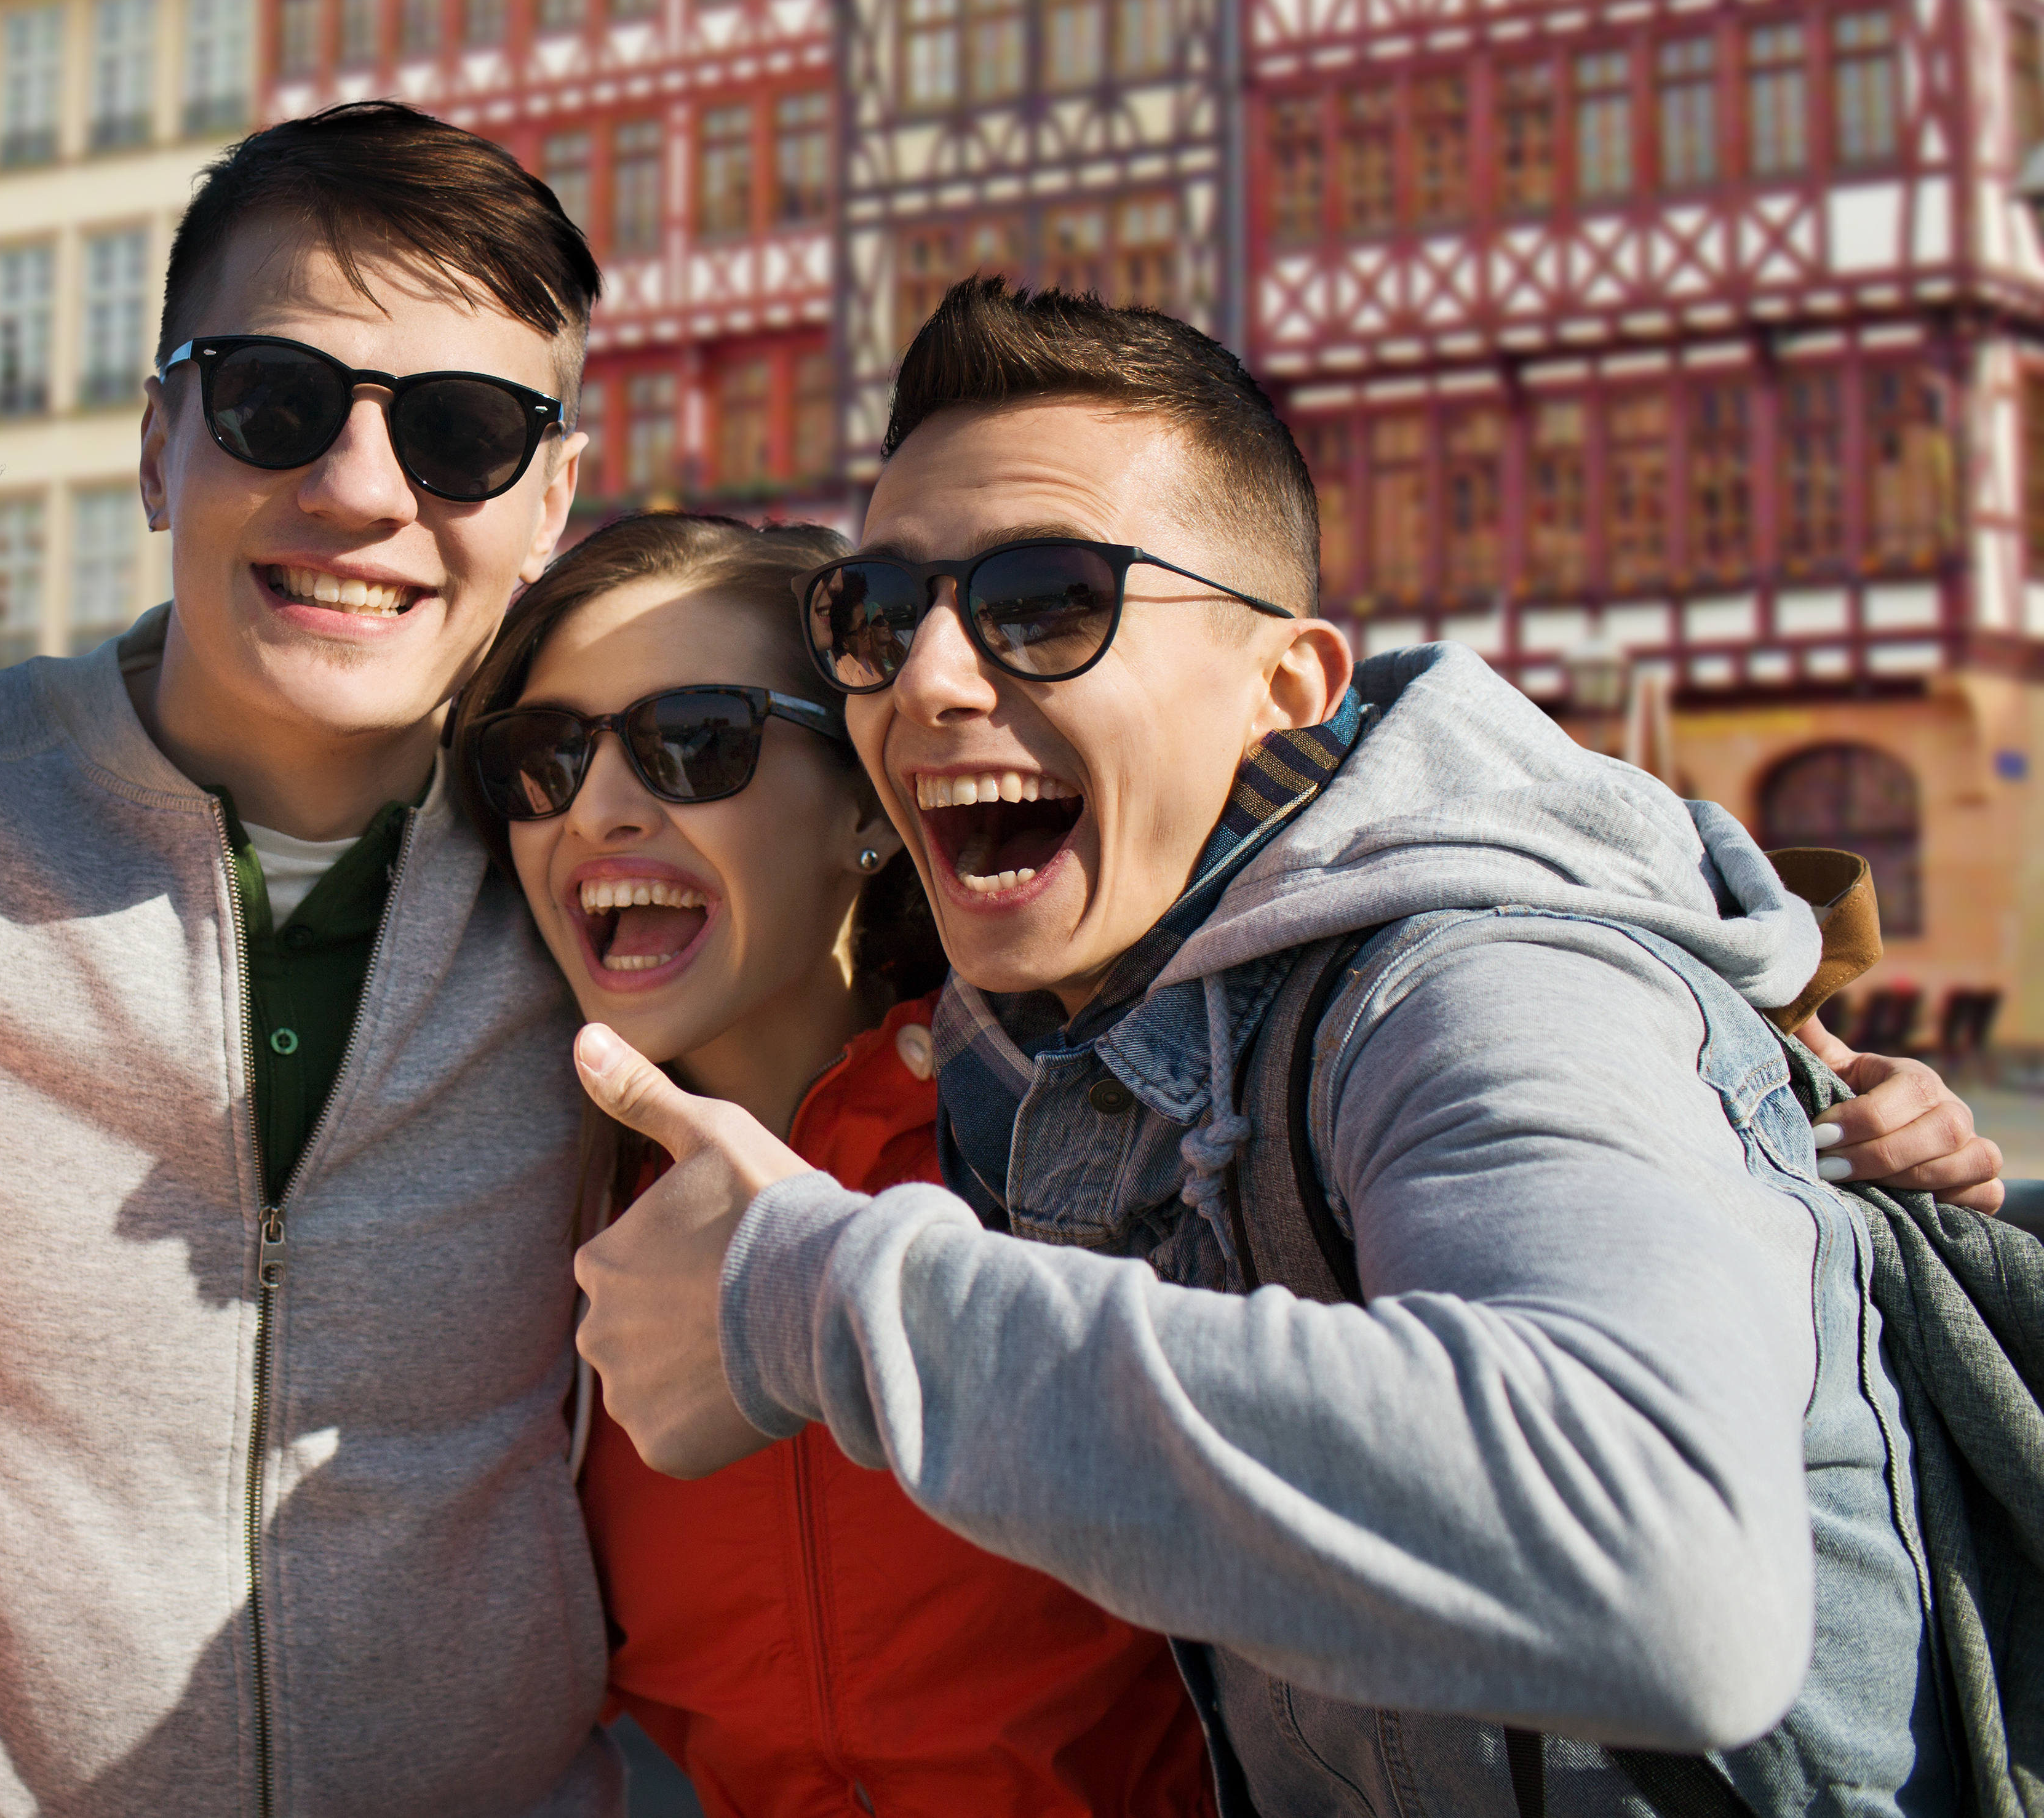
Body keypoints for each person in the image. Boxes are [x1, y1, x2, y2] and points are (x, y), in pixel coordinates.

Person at [573, 277, 2002, 1818]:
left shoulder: (1474, 978)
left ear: (1288, 687)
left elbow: (1662, 1570)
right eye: (875, 615)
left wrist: (808, 1301)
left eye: (1048, 601)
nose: (925, 677)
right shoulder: (1043, 1032)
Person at [0, 102, 619, 1817]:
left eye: (465, 434)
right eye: (276, 400)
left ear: (551, 502)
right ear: (156, 444)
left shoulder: (613, 886)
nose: (358, 493)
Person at [453, 508, 1216, 1818]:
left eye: (693, 742)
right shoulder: (542, 1230)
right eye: (545, 757)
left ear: (866, 810)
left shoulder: (1087, 1143)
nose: (595, 810)